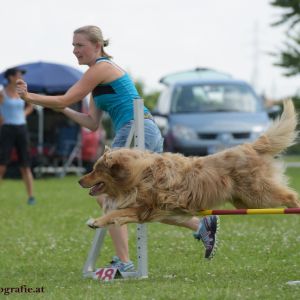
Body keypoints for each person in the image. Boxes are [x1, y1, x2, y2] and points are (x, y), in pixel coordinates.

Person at [16, 25, 220, 271]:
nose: (75, 50)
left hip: (136, 130)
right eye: (73, 46)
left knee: (107, 196)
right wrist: (62, 109)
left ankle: (124, 263)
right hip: (143, 131)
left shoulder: (101, 68)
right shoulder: (97, 79)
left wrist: (31, 98)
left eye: (79, 45)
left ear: (97, 45)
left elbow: (65, 98)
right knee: (139, 202)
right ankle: (200, 226)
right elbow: (91, 123)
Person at [0, 67, 36, 205]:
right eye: (18, 74)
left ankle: (31, 197)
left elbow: (30, 107)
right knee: (2, 165)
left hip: (21, 129)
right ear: (10, 77)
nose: (21, 76)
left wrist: (23, 115)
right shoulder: (2, 93)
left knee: (25, 165)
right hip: (7, 130)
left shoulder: (22, 92)